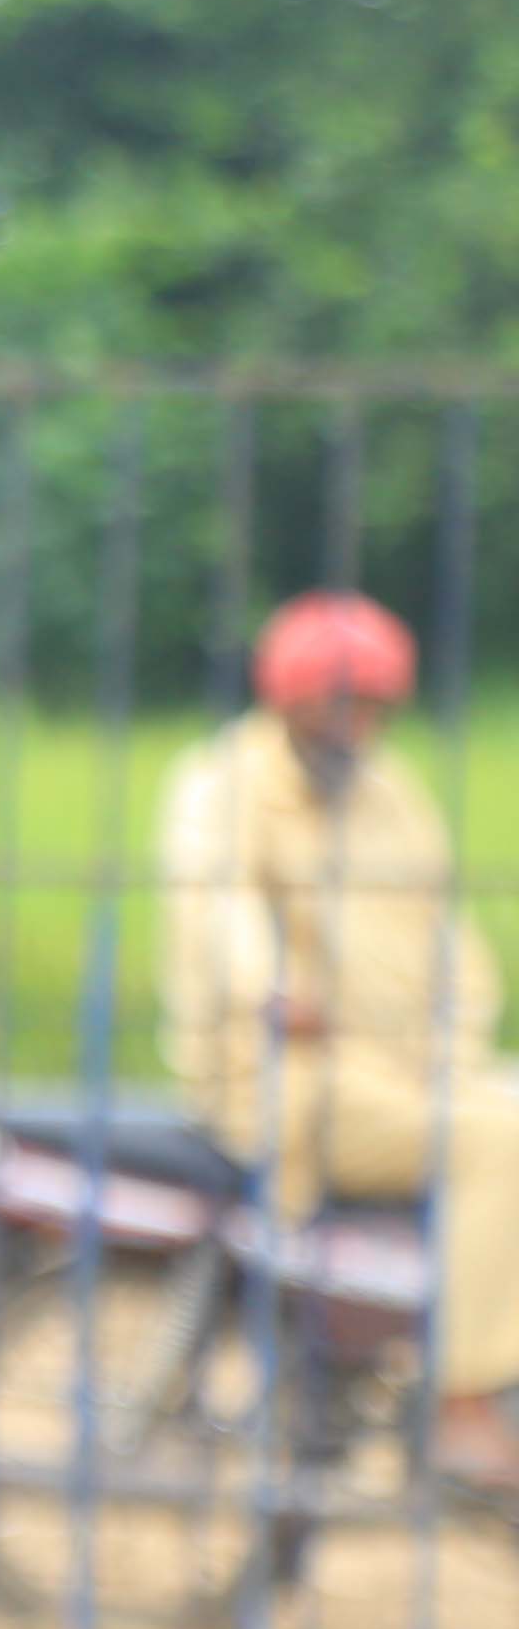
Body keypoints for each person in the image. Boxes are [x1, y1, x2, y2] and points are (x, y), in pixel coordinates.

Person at [158, 588, 519, 1499]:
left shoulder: (392, 794)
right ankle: (462, 1403)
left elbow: (448, 939)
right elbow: (215, 907)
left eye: (372, 707)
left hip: (403, 1071)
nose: (355, 725)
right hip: (281, 1076)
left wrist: (457, 1039)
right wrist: (268, 990)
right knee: (501, 1142)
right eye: (338, 704)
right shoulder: (224, 784)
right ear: (289, 699)